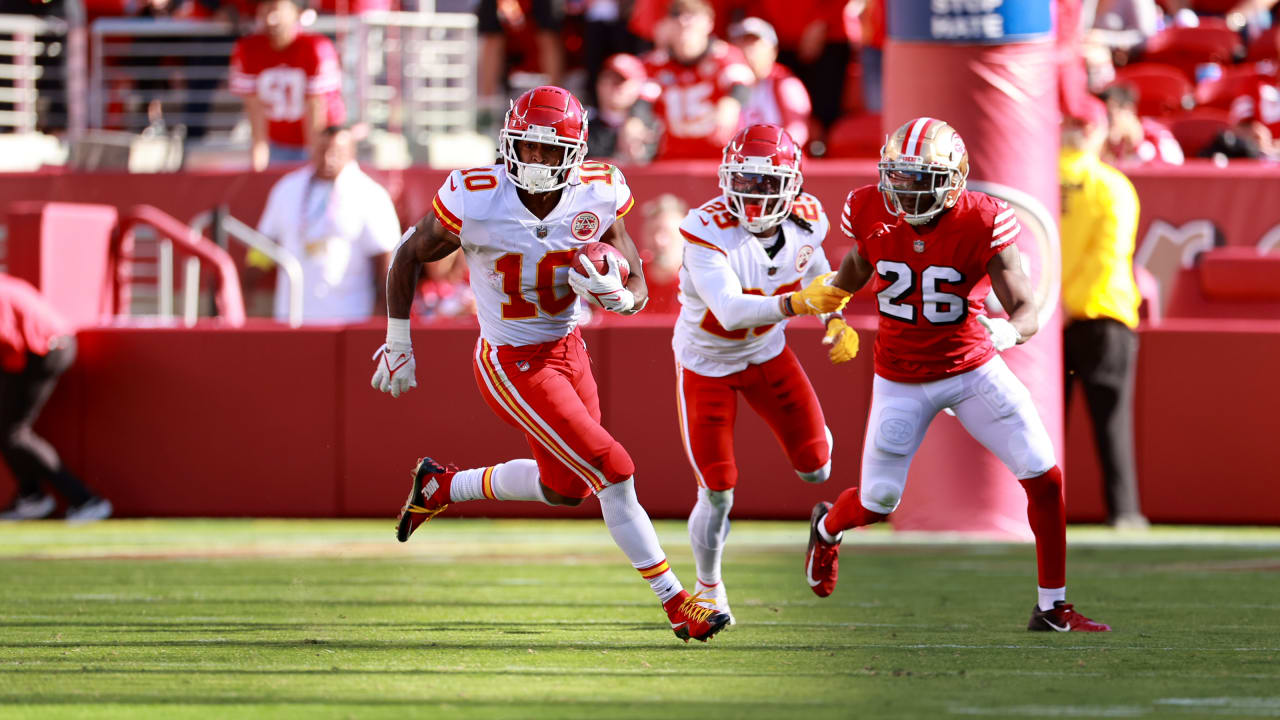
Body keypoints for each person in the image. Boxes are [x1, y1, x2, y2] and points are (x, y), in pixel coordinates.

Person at [371, 86, 757, 643]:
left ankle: (442, 487)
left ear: (575, 153)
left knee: (567, 488)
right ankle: (678, 603)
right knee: (613, 467)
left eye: (552, 153)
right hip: (510, 358)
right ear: (508, 144)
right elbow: (409, 253)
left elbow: (637, 275)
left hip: (568, 347)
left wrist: (626, 298)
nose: (538, 162)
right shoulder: (476, 194)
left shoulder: (599, 190)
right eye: (528, 148)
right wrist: (399, 340)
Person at [802, 117, 1112, 633]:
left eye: (922, 178)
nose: (907, 190)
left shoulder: (984, 219)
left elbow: (1027, 308)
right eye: (899, 177)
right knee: (878, 503)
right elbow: (855, 269)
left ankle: (1053, 606)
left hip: (971, 368)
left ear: (955, 179)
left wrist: (1010, 334)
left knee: (1045, 476)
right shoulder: (867, 207)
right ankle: (829, 526)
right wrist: (831, 311)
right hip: (899, 375)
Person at [673, 124, 853, 623]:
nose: (752, 195)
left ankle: (822, 524)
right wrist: (799, 303)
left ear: (792, 185)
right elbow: (730, 311)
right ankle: (708, 589)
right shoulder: (704, 230)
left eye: (765, 183)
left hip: (768, 355)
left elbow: (815, 269)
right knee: (718, 488)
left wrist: (833, 318)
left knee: (818, 467)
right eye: (744, 181)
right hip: (707, 364)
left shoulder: (806, 220)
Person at [1061, 96, 1149, 530]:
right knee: (1112, 424)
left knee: (1038, 430)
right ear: (1096, 131)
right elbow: (1109, 255)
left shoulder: (1037, 179)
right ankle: (1124, 513)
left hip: (1045, 319)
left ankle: (1034, 513)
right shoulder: (1112, 185)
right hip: (1103, 313)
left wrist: (1054, 304)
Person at [253, 125, 401, 324]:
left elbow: (386, 260)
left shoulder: (370, 194)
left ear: (352, 152)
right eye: (322, 150)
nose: (328, 158)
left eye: (337, 152)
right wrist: (246, 284)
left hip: (349, 319)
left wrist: (384, 316)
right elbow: (264, 246)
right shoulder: (287, 188)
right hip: (292, 317)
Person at [0, 275, 112, 525]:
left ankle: (86, 500)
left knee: (13, 433)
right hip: (44, 346)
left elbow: (12, 342)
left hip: (43, 350)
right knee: (8, 430)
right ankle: (31, 496)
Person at [625, 0, 755, 160]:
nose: (684, 22)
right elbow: (644, 99)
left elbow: (742, 83)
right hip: (672, 158)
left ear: (709, 23)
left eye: (692, 16)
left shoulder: (723, 56)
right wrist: (635, 121)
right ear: (668, 24)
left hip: (719, 160)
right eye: (677, 15)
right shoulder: (656, 64)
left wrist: (731, 103)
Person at [230, 0, 345, 170]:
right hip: (277, 143)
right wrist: (258, 161)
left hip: (323, 145)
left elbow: (316, 108)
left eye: (276, 10)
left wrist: (315, 158)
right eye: (265, 11)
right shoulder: (248, 48)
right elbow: (254, 109)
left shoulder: (315, 47)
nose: (270, 19)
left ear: (296, 12)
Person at [729, 18, 813, 149]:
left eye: (754, 44)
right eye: (742, 43)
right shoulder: (728, 82)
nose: (747, 51)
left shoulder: (786, 83)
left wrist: (774, 150)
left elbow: (799, 129)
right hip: (736, 163)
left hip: (778, 163)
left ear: (773, 51)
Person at [1100, 84, 1185, 166]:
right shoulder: (1102, 138)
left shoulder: (1157, 134)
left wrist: (1137, 144)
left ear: (1128, 109)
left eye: (1109, 115)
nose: (1106, 121)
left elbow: (1174, 171)